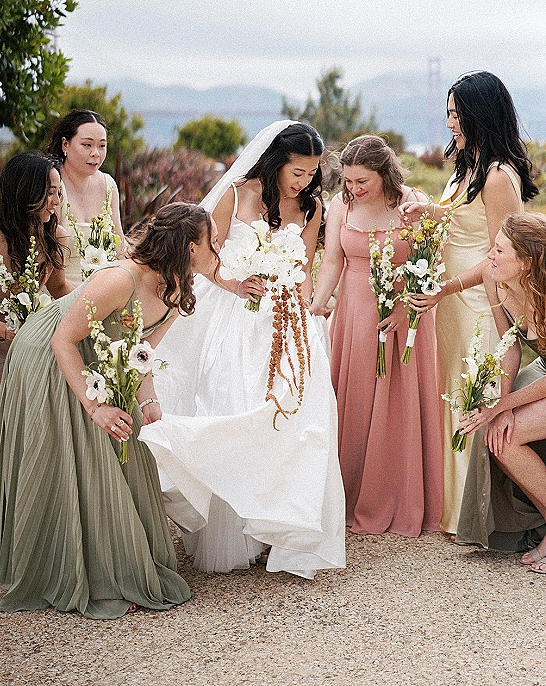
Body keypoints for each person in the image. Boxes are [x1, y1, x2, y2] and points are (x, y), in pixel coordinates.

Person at [0, 203, 219, 618]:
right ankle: (78, 566)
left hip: (103, 364)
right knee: (74, 454)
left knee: (126, 447)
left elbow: (139, 354)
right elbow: (62, 340)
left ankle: (116, 558)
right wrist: (96, 408)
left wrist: (150, 403)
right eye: (212, 242)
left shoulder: (176, 290)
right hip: (51, 356)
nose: (218, 249)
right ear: (188, 245)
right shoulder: (120, 279)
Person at [140, 121, 346, 579]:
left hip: (287, 319)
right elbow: (206, 258)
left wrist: (311, 312)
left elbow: (304, 266)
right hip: (235, 316)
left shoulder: (311, 207)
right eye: (298, 171)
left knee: (295, 421)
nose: (305, 182)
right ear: (276, 161)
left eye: (312, 173)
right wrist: (232, 283)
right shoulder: (237, 192)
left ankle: (284, 531)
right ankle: (238, 529)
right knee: (235, 408)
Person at [399, 71, 537, 534]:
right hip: (453, 301)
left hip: (480, 301)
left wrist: (448, 287)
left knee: (472, 394)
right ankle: (451, 504)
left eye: (457, 115)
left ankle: (472, 512)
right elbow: (465, 222)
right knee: (451, 395)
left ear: (480, 115)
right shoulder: (469, 167)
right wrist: (431, 213)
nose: (451, 124)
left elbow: (504, 255)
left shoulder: (499, 177)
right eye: (449, 114)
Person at [310, 135, 443, 537]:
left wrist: (407, 307)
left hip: (405, 314)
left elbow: (433, 261)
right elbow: (332, 260)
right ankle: (349, 495)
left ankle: (399, 496)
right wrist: (315, 305)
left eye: (361, 181)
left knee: (397, 404)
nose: (352, 189)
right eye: (347, 180)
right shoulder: (340, 207)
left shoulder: (412, 202)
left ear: (385, 174)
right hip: (354, 314)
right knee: (356, 400)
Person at [0, 152, 72, 567]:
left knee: (48, 424)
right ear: (23, 192)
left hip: (26, 345)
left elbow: (62, 290)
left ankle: (37, 534)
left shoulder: (52, 236)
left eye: (59, 192)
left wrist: (100, 319)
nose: (56, 202)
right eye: (49, 192)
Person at [455, 213, 546, 562]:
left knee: (509, 428)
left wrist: (503, 404)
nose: (489, 256)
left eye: (499, 250)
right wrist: (499, 405)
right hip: (541, 366)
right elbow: (510, 346)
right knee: (498, 436)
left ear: (525, 263)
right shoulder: (495, 280)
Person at [46, 109, 125, 286]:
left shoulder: (108, 185)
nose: (96, 153)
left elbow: (119, 243)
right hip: (58, 293)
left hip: (103, 292)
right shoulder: (51, 185)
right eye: (87, 145)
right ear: (65, 144)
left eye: (102, 145)